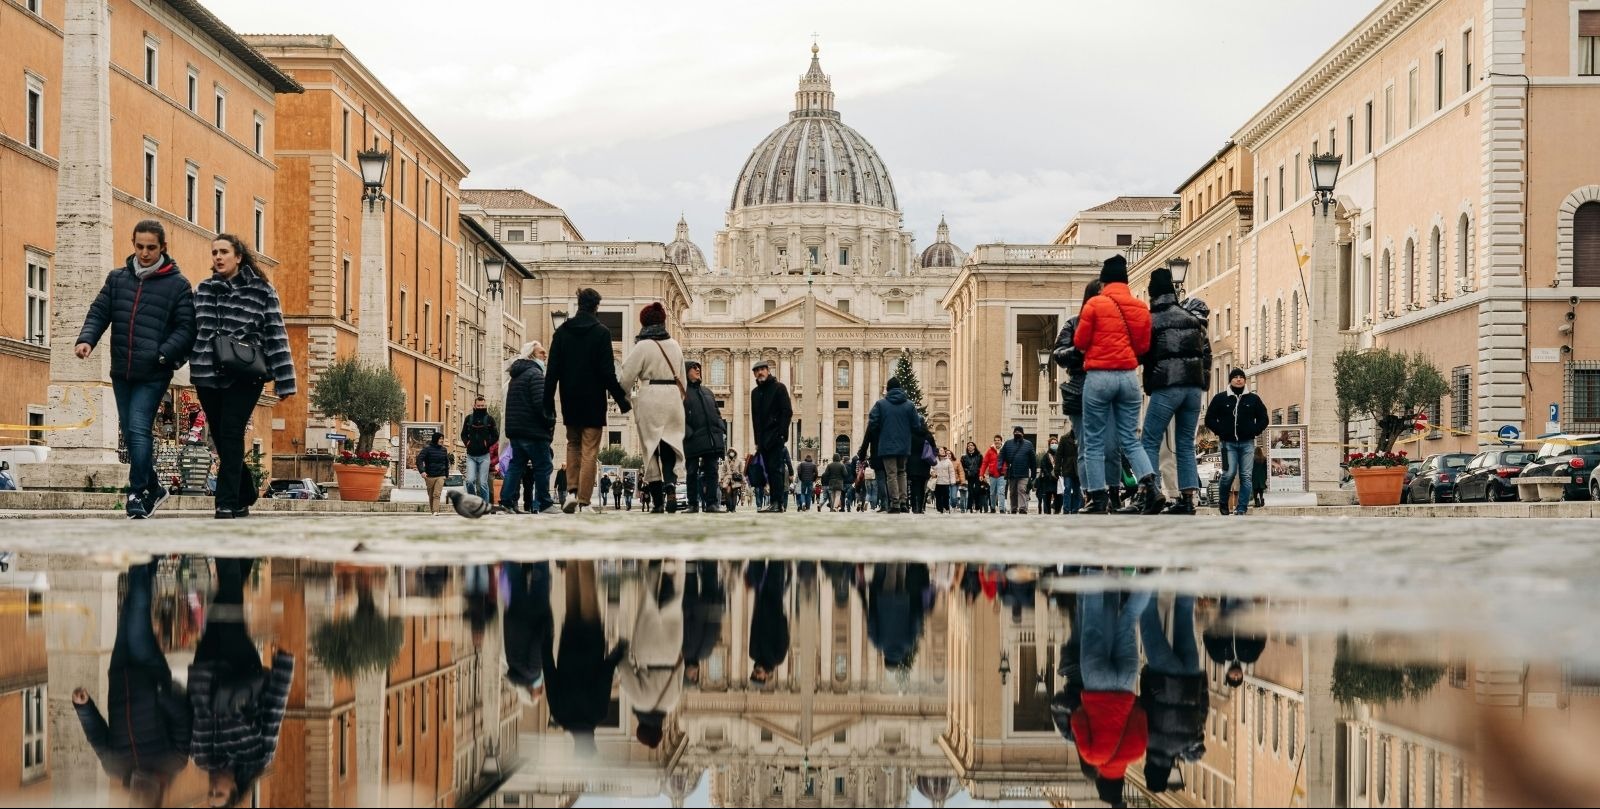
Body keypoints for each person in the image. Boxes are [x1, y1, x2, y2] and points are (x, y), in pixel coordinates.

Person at [76, 220, 197, 519]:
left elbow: (187, 328)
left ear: (163, 247)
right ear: (133, 244)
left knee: (139, 428)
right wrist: (86, 340)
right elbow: (99, 311)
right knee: (131, 434)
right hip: (122, 370)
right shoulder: (117, 279)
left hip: (154, 372)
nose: (144, 253)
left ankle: (137, 492)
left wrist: (163, 355)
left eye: (151, 247)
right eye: (140, 246)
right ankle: (154, 487)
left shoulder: (178, 285)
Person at [190, 234, 294, 520]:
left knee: (231, 433)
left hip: (245, 374)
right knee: (223, 439)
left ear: (238, 256)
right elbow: (188, 330)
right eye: (214, 252)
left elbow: (276, 335)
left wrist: (284, 379)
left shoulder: (262, 291)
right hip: (207, 373)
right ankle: (245, 491)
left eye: (224, 252)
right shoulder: (203, 290)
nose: (218, 257)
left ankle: (225, 502)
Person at [72, 561, 191, 807]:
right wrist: (160, 695)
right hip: (149, 671)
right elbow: (183, 720)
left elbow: (97, 736)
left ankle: (150, 560)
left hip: (119, 674)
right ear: (156, 799)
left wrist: (84, 708)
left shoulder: (115, 768)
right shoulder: (174, 762)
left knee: (129, 611)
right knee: (137, 609)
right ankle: (140, 555)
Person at [188, 559, 295, 808]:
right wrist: (284, 664)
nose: (213, 788)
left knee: (223, 602)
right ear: (234, 790)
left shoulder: (200, 758)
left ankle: (243, 554)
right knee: (228, 602)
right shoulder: (258, 757)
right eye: (219, 794)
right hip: (240, 668)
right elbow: (274, 712)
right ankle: (227, 542)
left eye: (210, 793)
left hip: (205, 666)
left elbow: (189, 710)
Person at [1074, 255, 1164, 515]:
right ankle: (1151, 486)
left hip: (1099, 376)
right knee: (1130, 439)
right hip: (1128, 377)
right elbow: (1143, 346)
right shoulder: (1140, 307)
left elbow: (1080, 342)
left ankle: (1097, 498)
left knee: (1093, 440)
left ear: (1104, 281)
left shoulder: (1094, 304)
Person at [545, 288, 632, 513]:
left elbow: (552, 371)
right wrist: (621, 400)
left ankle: (571, 492)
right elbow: (607, 373)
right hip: (593, 400)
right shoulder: (601, 333)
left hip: (570, 399)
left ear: (578, 304)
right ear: (596, 307)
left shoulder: (562, 332)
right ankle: (584, 500)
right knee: (590, 450)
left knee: (573, 444)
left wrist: (547, 402)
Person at [1139, 267, 1212, 516]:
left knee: (1149, 440)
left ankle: (1151, 493)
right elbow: (1206, 355)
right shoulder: (1191, 318)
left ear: (1152, 293)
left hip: (1167, 385)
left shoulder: (1152, 319)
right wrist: (1203, 384)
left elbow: (1142, 354)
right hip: (1193, 389)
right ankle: (1188, 499)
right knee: (1185, 444)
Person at [1073, 580, 1153, 808]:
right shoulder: (1091, 755)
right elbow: (1077, 719)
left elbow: (1141, 715)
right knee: (1092, 622)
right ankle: (1094, 571)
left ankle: (1150, 579)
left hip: (1125, 684)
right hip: (1096, 684)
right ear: (1100, 778)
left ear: (1121, 781)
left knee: (1128, 619)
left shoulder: (1136, 753)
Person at [618, 302, 686, 513]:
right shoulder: (675, 345)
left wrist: (625, 398)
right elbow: (683, 380)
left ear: (644, 323)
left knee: (651, 448)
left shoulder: (643, 346)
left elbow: (626, 376)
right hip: (673, 398)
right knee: (669, 445)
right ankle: (671, 485)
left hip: (651, 396)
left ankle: (658, 502)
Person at [1138, 595, 1207, 794]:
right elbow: (1144, 703)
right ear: (1148, 767)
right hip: (1165, 676)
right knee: (1148, 621)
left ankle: (1187, 577)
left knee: (1184, 615)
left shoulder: (1187, 743)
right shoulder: (1148, 739)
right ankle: (1147, 580)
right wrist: (1147, 675)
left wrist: (1201, 681)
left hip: (1191, 676)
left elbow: (1202, 709)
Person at [618, 561, 686, 750]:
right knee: (649, 606)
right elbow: (624, 670)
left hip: (671, 653)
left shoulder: (671, 703)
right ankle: (655, 568)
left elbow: (681, 669)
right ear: (641, 726)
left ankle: (674, 569)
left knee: (673, 608)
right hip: (646, 653)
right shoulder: (639, 701)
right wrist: (624, 654)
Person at [502, 341, 559, 515]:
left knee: (516, 467)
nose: (545, 355)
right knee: (543, 466)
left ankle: (507, 502)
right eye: (542, 352)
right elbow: (542, 404)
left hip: (517, 430)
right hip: (534, 431)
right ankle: (544, 503)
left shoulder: (516, 376)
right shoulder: (535, 374)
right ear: (532, 355)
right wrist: (550, 422)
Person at [1204, 368, 1269, 515]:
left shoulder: (1253, 399)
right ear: (1230, 380)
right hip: (1227, 444)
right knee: (1229, 473)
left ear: (1245, 380)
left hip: (1247, 444)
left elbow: (1264, 418)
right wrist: (1220, 430)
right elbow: (1209, 419)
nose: (1238, 379)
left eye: (1241, 377)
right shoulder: (1220, 398)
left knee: (1246, 476)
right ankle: (1223, 502)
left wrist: (1254, 430)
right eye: (1235, 377)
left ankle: (1241, 508)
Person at [503, 561, 553, 705]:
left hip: (535, 616)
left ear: (531, 691)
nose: (543, 690)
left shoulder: (533, 671)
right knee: (514, 577)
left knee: (540, 575)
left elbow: (538, 642)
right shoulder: (513, 667)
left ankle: (541, 553)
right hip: (514, 615)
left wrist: (548, 626)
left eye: (539, 692)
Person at [680, 360, 726, 514]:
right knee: (691, 472)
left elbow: (717, 412)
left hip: (710, 438)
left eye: (698, 367)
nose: (697, 369)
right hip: (693, 439)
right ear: (686, 372)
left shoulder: (707, 392)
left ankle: (712, 504)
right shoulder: (681, 392)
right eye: (693, 368)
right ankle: (692, 504)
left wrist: (720, 426)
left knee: (712, 471)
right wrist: (688, 432)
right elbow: (677, 415)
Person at [749, 360, 793, 513]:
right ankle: (774, 502)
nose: (760, 372)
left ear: (768, 371)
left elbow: (787, 412)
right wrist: (757, 441)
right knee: (768, 470)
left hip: (775, 437)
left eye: (762, 369)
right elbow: (755, 419)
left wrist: (781, 434)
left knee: (776, 470)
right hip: (762, 440)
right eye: (757, 370)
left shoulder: (779, 388)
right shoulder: (755, 393)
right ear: (754, 374)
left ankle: (777, 502)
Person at [746, 561, 791, 686]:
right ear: (766, 676)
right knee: (776, 568)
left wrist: (757, 606)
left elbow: (754, 627)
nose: (756, 674)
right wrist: (781, 614)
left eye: (753, 675)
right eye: (759, 677)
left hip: (761, 603)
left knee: (758, 570)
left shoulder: (753, 654)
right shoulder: (777, 658)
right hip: (775, 606)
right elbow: (784, 635)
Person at [683, 560, 726, 687]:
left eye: (691, 677)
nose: (695, 674)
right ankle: (708, 558)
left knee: (691, 574)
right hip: (708, 607)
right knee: (709, 575)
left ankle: (693, 558)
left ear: (684, 673)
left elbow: (683, 626)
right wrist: (718, 608)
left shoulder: (682, 652)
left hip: (691, 606)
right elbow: (714, 630)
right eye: (696, 677)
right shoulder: (705, 655)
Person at [460, 394, 500, 499]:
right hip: (471, 456)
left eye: (482, 406)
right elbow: (463, 434)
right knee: (469, 481)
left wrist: (487, 444)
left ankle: (485, 505)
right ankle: (474, 501)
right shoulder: (468, 419)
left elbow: (496, 436)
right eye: (479, 406)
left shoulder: (490, 419)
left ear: (485, 405)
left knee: (483, 484)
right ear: (475, 406)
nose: (481, 408)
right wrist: (467, 443)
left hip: (484, 456)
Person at [1000, 426, 1037, 515]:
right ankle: (1013, 508)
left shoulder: (1028, 444)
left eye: (1019, 432)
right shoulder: (1008, 443)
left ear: (1023, 434)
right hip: (1012, 472)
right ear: (1013, 433)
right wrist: (1000, 466)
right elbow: (1002, 455)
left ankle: (1022, 508)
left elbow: (1033, 460)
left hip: (1024, 472)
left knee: (1022, 490)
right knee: (1012, 491)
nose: (1017, 433)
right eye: (1016, 432)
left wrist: (1033, 473)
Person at [416, 431, 452, 515]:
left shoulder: (444, 450)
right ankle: (433, 511)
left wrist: (446, 474)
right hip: (429, 476)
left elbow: (446, 462)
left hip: (440, 475)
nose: (442, 440)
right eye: (440, 439)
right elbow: (419, 460)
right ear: (435, 439)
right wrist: (422, 471)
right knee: (431, 494)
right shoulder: (427, 449)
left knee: (437, 494)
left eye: (442, 439)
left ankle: (436, 511)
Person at [905, 426, 935, 514]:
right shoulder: (928, 435)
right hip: (924, 463)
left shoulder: (910, 434)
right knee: (922, 487)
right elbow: (934, 449)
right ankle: (920, 508)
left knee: (913, 486)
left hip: (912, 463)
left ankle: (914, 507)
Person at [981, 435, 1005, 513]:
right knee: (992, 493)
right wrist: (981, 474)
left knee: (1001, 492)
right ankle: (992, 507)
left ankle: (1002, 509)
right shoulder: (990, 451)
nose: (997, 441)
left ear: (1001, 441)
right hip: (992, 475)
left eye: (998, 440)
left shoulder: (1005, 450)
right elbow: (985, 463)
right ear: (994, 441)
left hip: (1002, 475)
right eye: (995, 440)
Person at [1037, 435, 1059, 515]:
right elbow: (1043, 466)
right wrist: (1048, 475)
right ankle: (1048, 513)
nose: (1054, 444)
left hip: (1057, 481)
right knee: (1047, 499)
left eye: (1055, 443)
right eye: (1052, 443)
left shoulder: (1059, 455)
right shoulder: (1046, 456)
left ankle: (1057, 511)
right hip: (1048, 481)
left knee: (1058, 499)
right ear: (1049, 444)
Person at [960, 441, 984, 513]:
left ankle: (977, 508)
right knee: (970, 492)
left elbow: (982, 466)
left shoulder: (979, 456)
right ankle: (969, 508)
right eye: (968, 446)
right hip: (969, 476)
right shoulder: (964, 457)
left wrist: (981, 474)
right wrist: (966, 472)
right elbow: (962, 468)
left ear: (974, 447)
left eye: (971, 445)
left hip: (977, 476)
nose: (970, 447)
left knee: (977, 491)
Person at [933, 447, 957, 513]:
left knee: (946, 496)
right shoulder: (934, 460)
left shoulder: (948, 461)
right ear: (938, 452)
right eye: (941, 450)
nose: (943, 451)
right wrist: (932, 472)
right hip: (937, 481)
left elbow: (951, 472)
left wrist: (952, 481)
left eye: (943, 450)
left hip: (945, 482)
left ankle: (946, 508)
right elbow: (931, 468)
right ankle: (939, 509)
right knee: (938, 496)